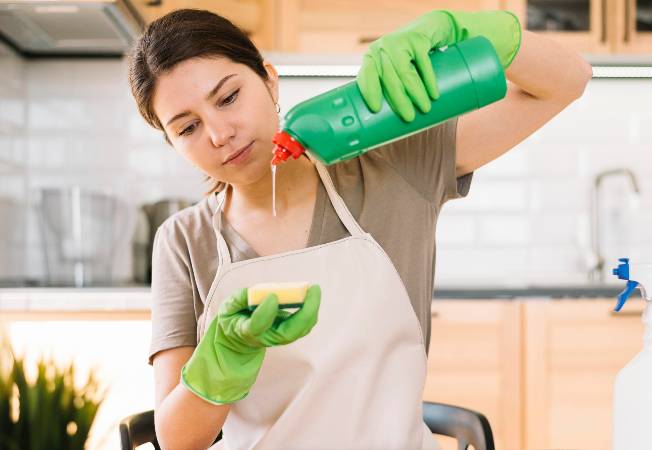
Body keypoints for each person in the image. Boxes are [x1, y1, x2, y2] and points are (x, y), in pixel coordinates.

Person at [128, 7, 591, 449]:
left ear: (269, 80)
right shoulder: (184, 240)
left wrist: (472, 31)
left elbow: (566, 81)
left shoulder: (394, 168)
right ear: (172, 143)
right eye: (187, 128)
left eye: (228, 98)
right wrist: (220, 361)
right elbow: (178, 441)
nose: (218, 133)